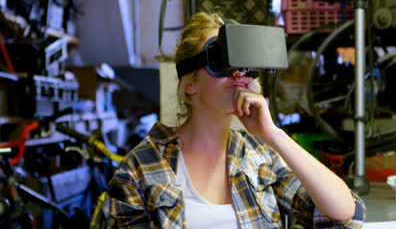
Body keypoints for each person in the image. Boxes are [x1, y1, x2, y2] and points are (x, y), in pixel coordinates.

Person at [102, 12, 365, 228]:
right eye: (220, 60)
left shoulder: (262, 158)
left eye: (244, 61)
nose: (239, 72)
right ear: (190, 83)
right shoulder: (139, 168)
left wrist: (275, 136)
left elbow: (347, 217)